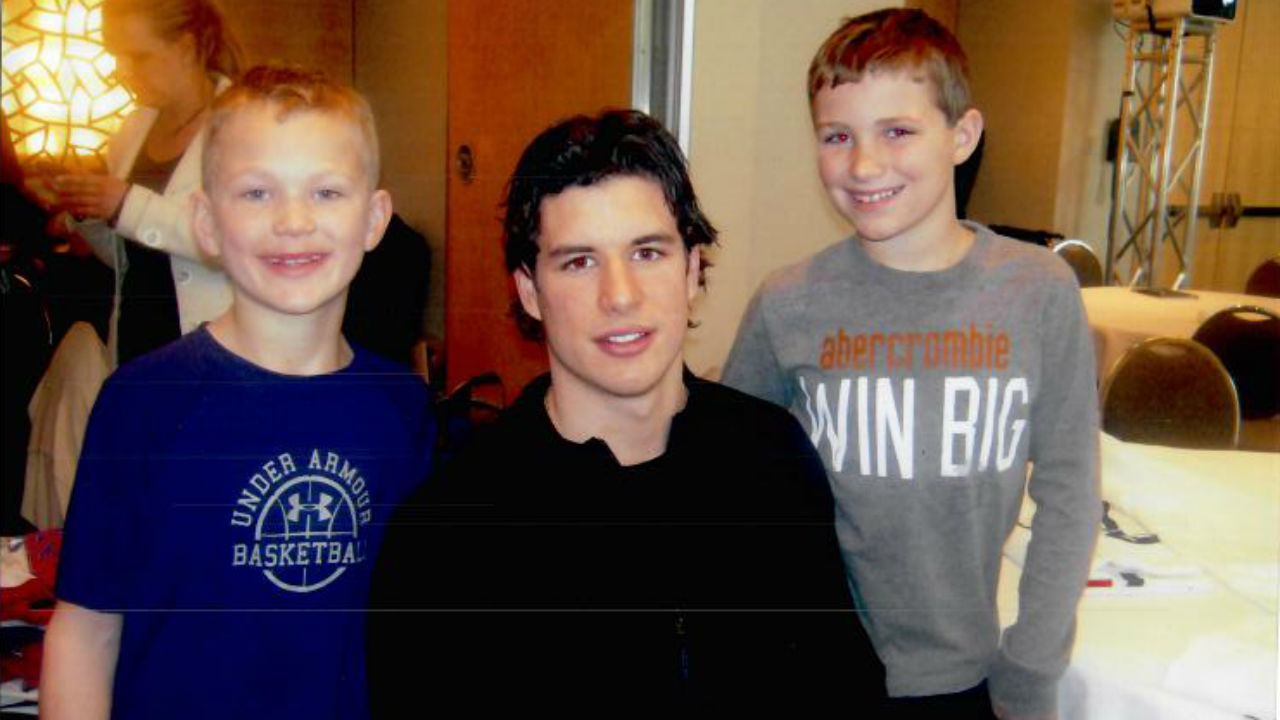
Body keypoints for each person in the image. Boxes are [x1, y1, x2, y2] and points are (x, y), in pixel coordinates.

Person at [370, 110, 885, 714]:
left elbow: (843, 687)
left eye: (647, 252)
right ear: (530, 292)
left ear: (692, 269)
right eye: (579, 262)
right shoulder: (453, 528)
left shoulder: (772, 459)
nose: (620, 295)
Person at [721, 9, 1100, 720]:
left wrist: (1032, 662)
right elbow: (733, 486)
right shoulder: (786, 305)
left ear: (962, 136)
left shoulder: (1038, 292)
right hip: (812, 673)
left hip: (970, 681)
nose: (864, 165)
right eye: (838, 137)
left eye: (897, 130)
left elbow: (1071, 491)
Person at [41, 66, 435, 719]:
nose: (292, 220)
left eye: (327, 192)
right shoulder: (141, 402)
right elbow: (85, 629)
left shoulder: (403, 410)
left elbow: (409, 629)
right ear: (205, 221)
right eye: (256, 193)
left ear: (373, 220)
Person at [55, 0, 241, 366]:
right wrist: (90, 211)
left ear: (187, 48)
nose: (121, 71)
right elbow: (129, 260)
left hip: (219, 354)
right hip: (136, 349)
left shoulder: (246, 125)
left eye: (137, 57)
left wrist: (126, 205)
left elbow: (244, 245)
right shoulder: (132, 130)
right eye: (115, 56)